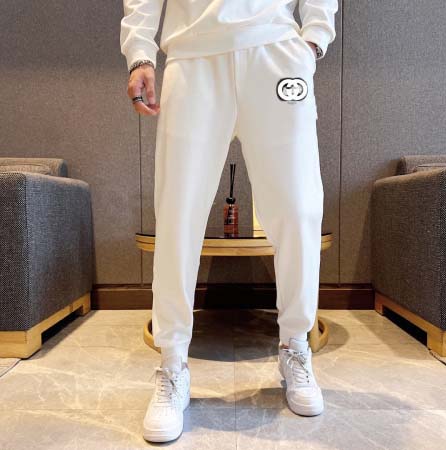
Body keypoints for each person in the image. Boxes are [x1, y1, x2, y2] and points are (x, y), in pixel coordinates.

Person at [120, 0, 338, 443]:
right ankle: (173, 365)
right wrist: (140, 52)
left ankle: (296, 346)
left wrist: (314, 37)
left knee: (298, 208)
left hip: (276, 52)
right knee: (178, 213)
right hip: (193, 54)